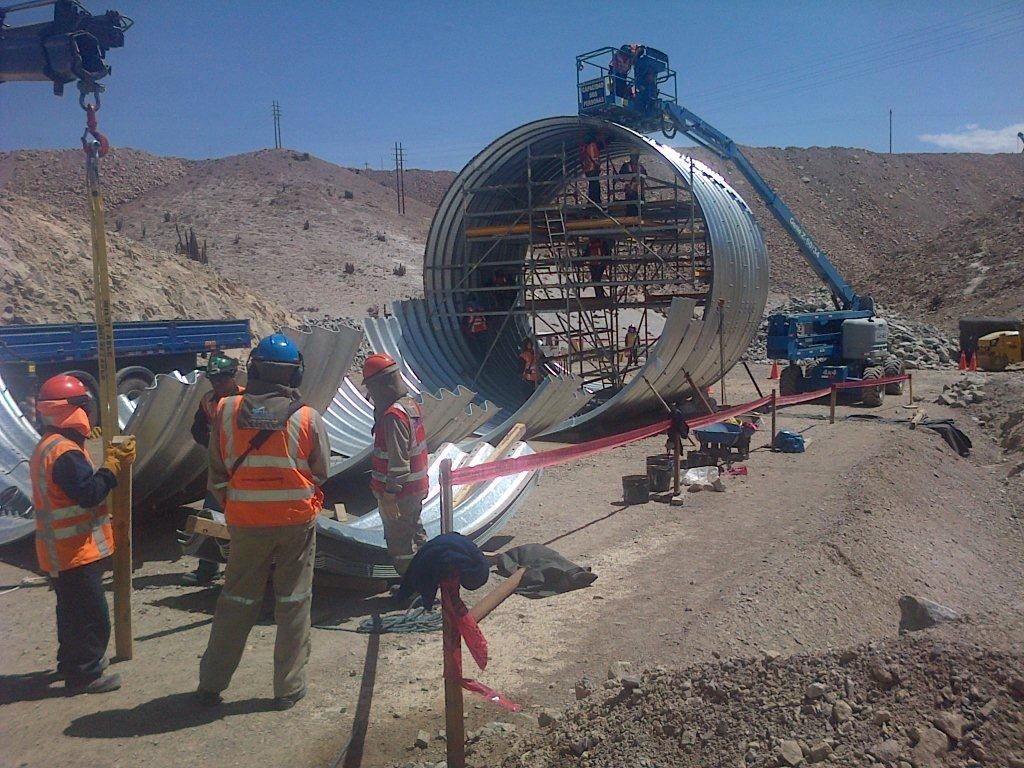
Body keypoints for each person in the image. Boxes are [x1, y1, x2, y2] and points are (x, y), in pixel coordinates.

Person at [197, 333, 330, 711]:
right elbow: (321, 471)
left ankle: (211, 683)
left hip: (246, 524)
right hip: (295, 524)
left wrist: (238, 503)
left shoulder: (224, 411)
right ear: (295, 375)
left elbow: (216, 470)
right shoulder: (307, 417)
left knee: (236, 600)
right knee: (293, 601)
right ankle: (287, 688)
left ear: (253, 368)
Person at [31, 374, 136, 694]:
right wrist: (112, 468)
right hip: (75, 551)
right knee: (91, 615)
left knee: (71, 612)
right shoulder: (66, 453)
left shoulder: (50, 445)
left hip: (59, 551)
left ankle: (73, 662)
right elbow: (89, 494)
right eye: (84, 405)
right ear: (72, 409)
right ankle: (85, 674)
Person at [361, 353, 429, 576]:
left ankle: (413, 587)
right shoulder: (410, 406)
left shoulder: (392, 416)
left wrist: (390, 495)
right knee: (416, 534)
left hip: (399, 493)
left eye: (370, 388)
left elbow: (399, 462)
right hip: (415, 488)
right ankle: (428, 577)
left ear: (379, 386)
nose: (369, 394)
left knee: (400, 544)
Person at [183, 351, 244, 586]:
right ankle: (207, 568)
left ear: (232, 377)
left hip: (243, 469)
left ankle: (238, 570)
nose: (218, 384)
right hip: (219, 470)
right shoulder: (208, 401)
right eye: (214, 380)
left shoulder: (246, 399)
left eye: (222, 380)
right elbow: (197, 429)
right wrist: (210, 443)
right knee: (211, 519)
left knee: (243, 521)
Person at [579, 134, 604, 206]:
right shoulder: (592, 146)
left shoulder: (585, 147)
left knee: (592, 185)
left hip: (588, 170)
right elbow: (595, 158)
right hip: (593, 169)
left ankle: (593, 202)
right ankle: (595, 203)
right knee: (595, 186)